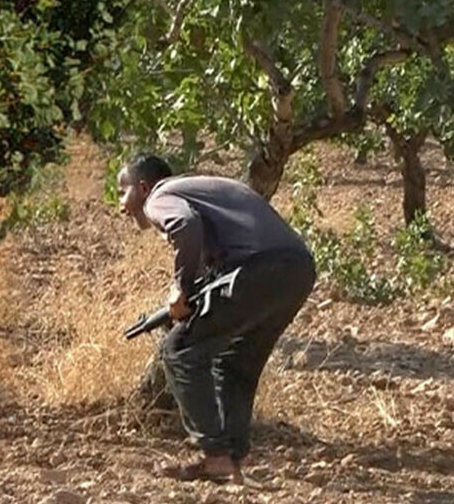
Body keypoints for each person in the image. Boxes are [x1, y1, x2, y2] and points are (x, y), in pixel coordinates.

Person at [117, 154, 315, 481]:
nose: (121, 206)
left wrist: (180, 288)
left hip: (258, 269)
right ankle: (230, 458)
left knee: (177, 350)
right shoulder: (198, 188)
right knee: (235, 364)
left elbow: (185, 225)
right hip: (298, 270)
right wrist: (188, 300)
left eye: (123, 192)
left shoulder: (160, 197)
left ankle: (214, 453)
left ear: (143, 187)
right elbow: (211, 266)